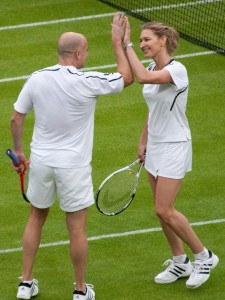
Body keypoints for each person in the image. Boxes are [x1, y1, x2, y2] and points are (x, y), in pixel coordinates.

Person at [10, 13, 133, 300]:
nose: (87, 55)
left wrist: (18, 151)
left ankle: (25, 284)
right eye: (87, 50)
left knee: (35, 218)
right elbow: (127, 78)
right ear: (78, 53)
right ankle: (80, 291)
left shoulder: (36, 78)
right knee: (76, 228)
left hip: (41, 162)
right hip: (73, 167)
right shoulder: (87, 81)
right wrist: (118, 43)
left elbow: (17, 118)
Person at [112, 15, 219, 289]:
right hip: (156, 145)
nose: (142, 44)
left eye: (146, 40)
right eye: (140, 40)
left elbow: (143, 79)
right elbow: (153, 110)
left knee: (165, 208)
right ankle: (180, 260)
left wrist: (126, 46)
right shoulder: (150, 65)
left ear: (163, 41)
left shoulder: (177, 70)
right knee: (160, 212)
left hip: (174, 145)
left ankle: (204, 256)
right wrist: (143, 140)